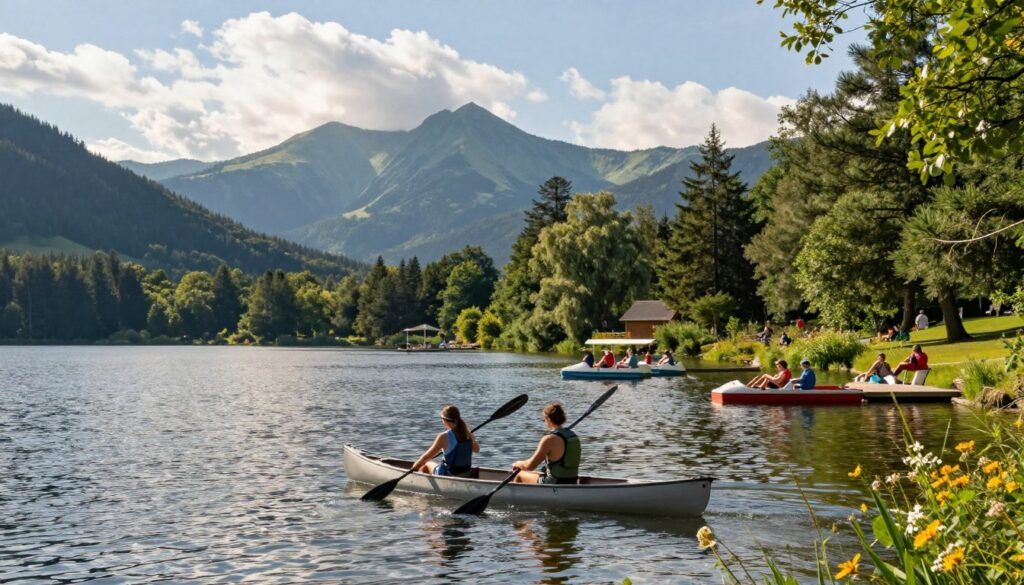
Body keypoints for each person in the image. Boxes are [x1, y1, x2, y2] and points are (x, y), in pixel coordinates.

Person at [512, 402, 580, 485]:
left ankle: (516, 497)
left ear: (548, 419)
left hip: (554, 483)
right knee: (538, 474)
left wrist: (517, 463)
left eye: (544, 419)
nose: (544, 422)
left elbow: (530, 466)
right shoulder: (573, 436)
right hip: (572, 481)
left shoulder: (549, 439)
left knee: (519, 474)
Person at [410, 405, 480, 477]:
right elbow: (477, 450)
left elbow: (426, 457)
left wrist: (414, 467)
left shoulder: (443, 436)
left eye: (441, 418)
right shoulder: (468, 433)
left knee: (426, 464)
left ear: (445, 419)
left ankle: (420, 482)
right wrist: (472, 438)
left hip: (449, 474)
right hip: (466, 474)